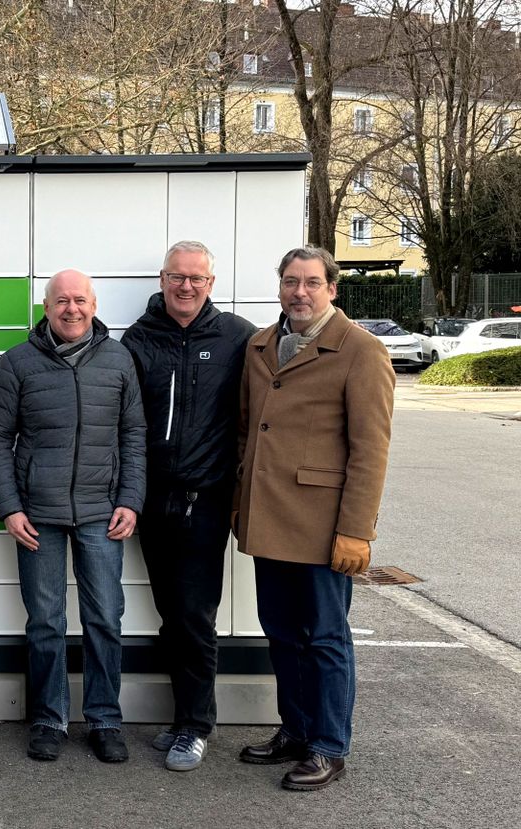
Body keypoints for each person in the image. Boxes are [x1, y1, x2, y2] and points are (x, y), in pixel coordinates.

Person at [233, 246, 394, 791]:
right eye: (289, 282)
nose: (299, 292)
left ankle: (328, 746)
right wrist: (240, 502)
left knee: (325, 638)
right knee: (281, 632)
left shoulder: (360, 351)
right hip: (267, 517)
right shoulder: (260, 344)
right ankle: (296, 731)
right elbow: (247, 431)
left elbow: (370, 451)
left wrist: (356, 530)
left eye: (310, 283)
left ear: (332, 289)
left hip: (325, 525)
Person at [0, 268, 147, 763]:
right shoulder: (17, 363)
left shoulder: (119, 359)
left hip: (102, 512)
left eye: (79, 300)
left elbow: (133, 435)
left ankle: (104, 720)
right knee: (47, 622)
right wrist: (10, 507)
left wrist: (130, 499)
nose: (71, 309)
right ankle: (49, 718)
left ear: (94, 305)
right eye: (61, 301)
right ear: (47, 307)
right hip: (39, 516)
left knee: (104, 619)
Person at [120, 241, 257, 772]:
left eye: (196, 278)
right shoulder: (138, 339)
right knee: (170, 616)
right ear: (162, 279)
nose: (186, 286)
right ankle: (184, 717)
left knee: (195, 616)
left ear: (211, 284)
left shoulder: (238, 338)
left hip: (206, 500)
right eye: (177, 276)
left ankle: (195, 727)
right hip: (153, 501)